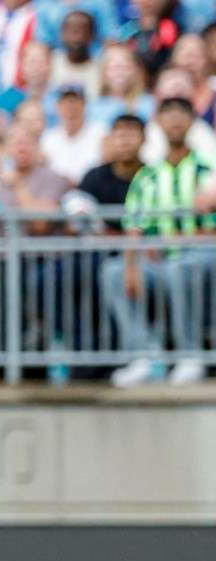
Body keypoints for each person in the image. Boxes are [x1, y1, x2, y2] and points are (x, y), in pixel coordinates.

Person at [102, 96, 216, 388]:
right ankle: (145, 355)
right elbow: (134, 228)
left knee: (181, 266)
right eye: (168, 115)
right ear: (158, 123)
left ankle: (189, 355)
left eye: (181, 114)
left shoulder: (207, 169)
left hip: (200, 257)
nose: (175, 121)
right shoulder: (147, 176)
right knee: (113, 272)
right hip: (158, 261)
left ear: (192, 122)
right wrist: (130, 266)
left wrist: (177, 239)